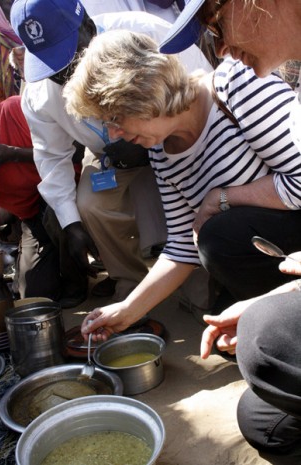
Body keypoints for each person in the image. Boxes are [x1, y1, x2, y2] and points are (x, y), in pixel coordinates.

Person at [62, 29, 301, 339]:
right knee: (222, 335)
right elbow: (183, 244)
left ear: (143, 92)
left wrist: (222, 197)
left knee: (218, 237)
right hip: (273, 253)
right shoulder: (160, 152)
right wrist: (127, 310)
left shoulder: (236, 86)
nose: (114, 133)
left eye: (115, 117)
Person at [159, 1, 301, 463]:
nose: (219, 48)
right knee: (264, 421)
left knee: (266, 338)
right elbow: (183, 241)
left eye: (215, 23)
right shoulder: (161, 155)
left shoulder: (243, 85)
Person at [10, 0, 212, 303]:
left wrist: (158, 136)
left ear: (88, 27)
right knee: (91, 204)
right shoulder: (39, 93)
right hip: (109, 157)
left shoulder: (148, 33)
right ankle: (131, 284)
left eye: (67, 58)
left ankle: (201, 275)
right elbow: (51, 157)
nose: (62, 74)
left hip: (180, 141)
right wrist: (71, 224)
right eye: (49, 64)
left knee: (200, 288)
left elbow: (205, 93)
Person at [0, 95, 88, 306]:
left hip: (69, 189)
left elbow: (74, 152)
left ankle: (77, 279)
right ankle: (51, 261)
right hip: (32, 216)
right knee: (36, 297)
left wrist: (14, 154)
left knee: (56, 216)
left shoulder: (15, 110)